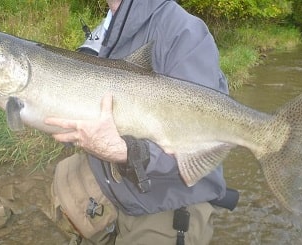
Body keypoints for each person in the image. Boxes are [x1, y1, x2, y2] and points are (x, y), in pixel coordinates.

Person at [45, 0, 236, 244]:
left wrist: (128, 151)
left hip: (167, 205)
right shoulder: (105, 30)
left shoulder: (184, 32)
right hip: (116, 191)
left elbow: (203, 138)